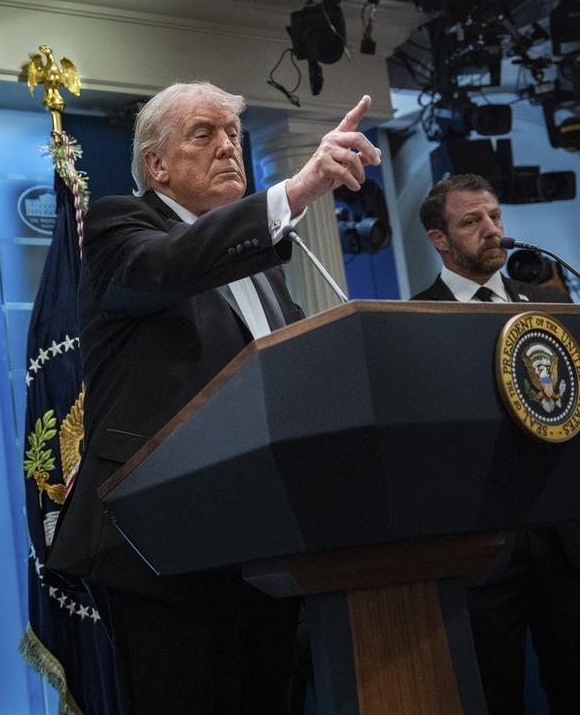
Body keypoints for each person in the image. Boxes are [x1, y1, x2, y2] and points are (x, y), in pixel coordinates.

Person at [47, 81, 381, 714]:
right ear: (157, 166)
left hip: (265, 540)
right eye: (204, 135)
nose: (229, 147)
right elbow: (173, 263)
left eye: (233, 134)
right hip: (162, 543)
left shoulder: (260, 261)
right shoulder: (123, 226)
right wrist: (297, 191)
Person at [412, 173, 580, 715]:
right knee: (492, 697)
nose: (492, 230)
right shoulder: (416, 320)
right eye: (471, 222)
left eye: (495, 217)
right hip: (483, 544)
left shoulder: (549, 303)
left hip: (565, 536)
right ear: (440, 240)